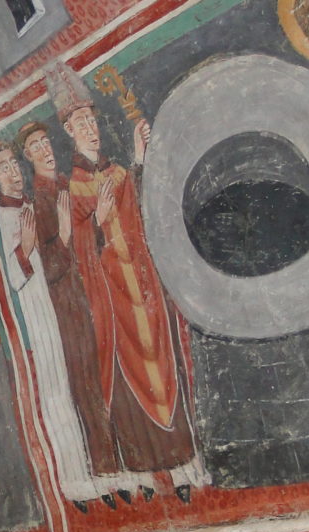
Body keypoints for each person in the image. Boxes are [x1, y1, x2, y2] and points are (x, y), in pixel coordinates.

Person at [47, 62, 208, 500]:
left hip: (144, 290)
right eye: (80, 122)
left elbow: (140, 210)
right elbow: (72, 252)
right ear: (68, 132)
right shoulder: (72, 187)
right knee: (126, 381)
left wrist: (138, 159)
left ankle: (180, 465)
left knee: (164, 369)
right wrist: (95, 225)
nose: (90, 128)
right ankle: (145, 467)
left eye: (92, 119)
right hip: (112, 303)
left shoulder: (116, 172)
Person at [17, 122, 151, 509]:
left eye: (46, 142)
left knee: (107, 376)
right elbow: (51, 266)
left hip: (93, 293)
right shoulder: (39, 201)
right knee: (88, 385)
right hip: (69, 304)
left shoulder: (65, 185)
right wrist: (65, 233)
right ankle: (106, 473)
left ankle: (126, 467)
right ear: (29, 157)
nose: (45, 149)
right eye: (35, 147)